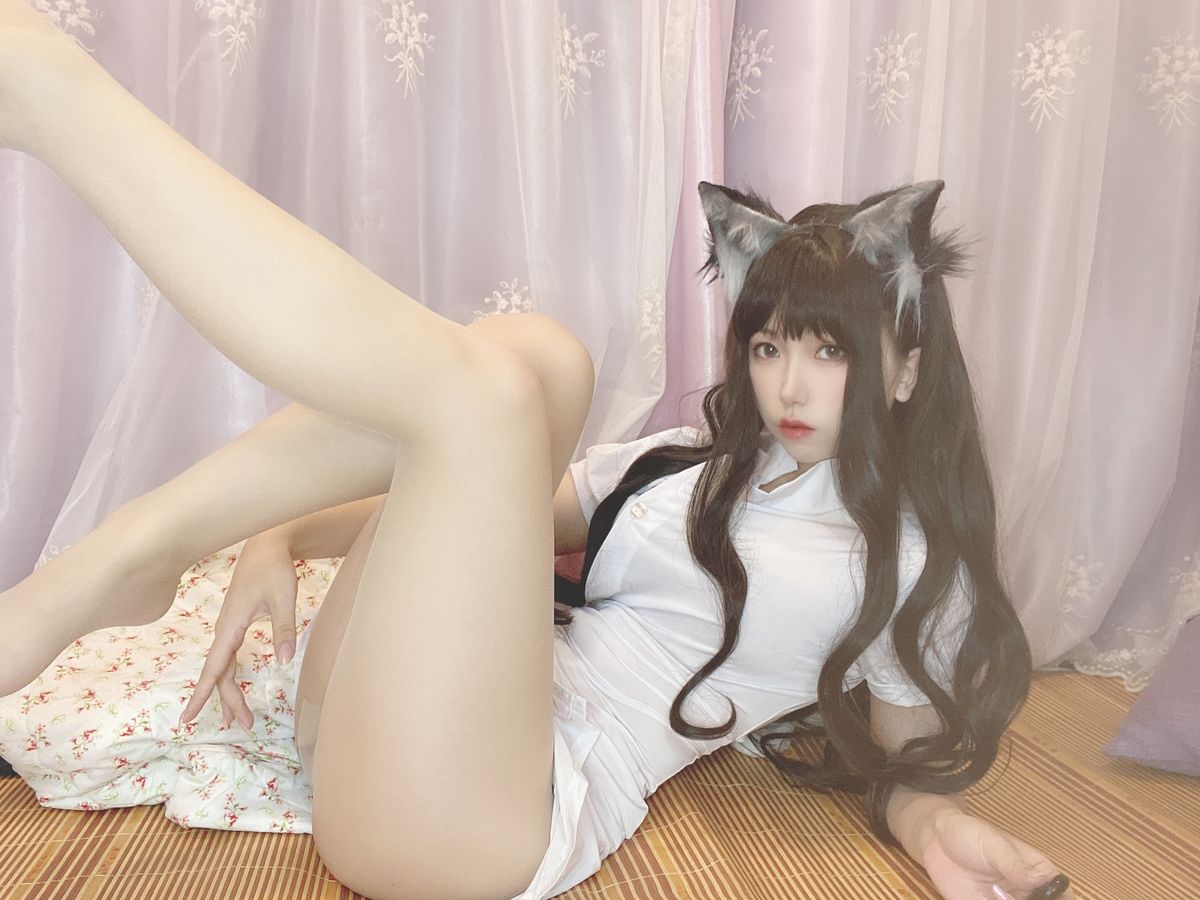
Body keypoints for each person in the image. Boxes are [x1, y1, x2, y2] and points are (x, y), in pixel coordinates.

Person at [0, 4, 1073, 899]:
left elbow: (900, 761)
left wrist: (935, 824)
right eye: (768, 345)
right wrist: (278, 539)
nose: (789, 384)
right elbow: (459, 519)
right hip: (383, 709)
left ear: (904, 371)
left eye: (830, 352)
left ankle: (64, 120)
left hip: (484, 816)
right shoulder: (688, 466)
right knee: (538, 357)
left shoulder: (910, 558)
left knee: (493, 391)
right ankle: (145, 550)